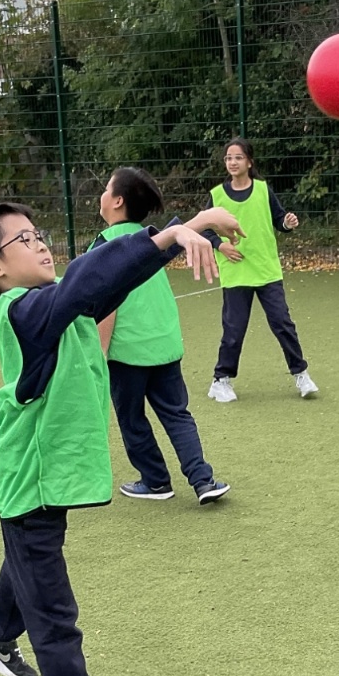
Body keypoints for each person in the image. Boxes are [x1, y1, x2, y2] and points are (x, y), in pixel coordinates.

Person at [0, 199, 243, 676]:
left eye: (38, 233)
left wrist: (184, 234)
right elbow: (89, 279)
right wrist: (172, 235)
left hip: (46, 480)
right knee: (56, 621)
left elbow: (111, 282)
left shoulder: (58, 308)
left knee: (28, 559)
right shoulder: (22, 311)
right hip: (30, 484)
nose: (40, 243)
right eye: (23, 240)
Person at [90, 165, 230, 503]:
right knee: (177, 414)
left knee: (132, 419)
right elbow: (179, 232)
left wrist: (98, 354)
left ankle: (155, 482)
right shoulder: (150, 238)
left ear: (117, 201)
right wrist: (206, 218)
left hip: (127, 353)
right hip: (165, 345)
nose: (102, 194)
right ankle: (204, 481)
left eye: (107, 188)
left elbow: (106, 304)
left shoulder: (105, 246)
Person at [205, 137, 319, 402]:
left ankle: (301, 374)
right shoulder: (217, 195)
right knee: (234, 330)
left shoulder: (263, 190)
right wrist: (221, 246)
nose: (233, 162)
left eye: (238, 157)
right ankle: (220, 380)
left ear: (249, 162)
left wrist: (288, 223)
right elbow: (204, 229)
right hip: (236, 272)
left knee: (283, 324)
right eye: (228, 158)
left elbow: (279, 221)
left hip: (267, 271)